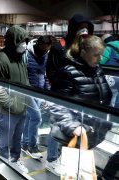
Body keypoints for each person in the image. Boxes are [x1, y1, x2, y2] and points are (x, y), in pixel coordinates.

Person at [46, 35, 114, 176]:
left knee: (81, 171)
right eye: (96, 55)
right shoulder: (68, 72)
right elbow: (56, 103)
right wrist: (74, 126)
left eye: (101, 55)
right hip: (75, 134)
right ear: (83, 53)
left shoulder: (97, 70)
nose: (100, 59)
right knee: (72, 173)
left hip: (92, 133)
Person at [0, 25, 30, 173]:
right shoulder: (2, 60)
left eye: (25, 41)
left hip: (22, 107)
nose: (24, 45)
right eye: (21, 41)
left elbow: (25, 81)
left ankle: (15, 159)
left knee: (17, 139)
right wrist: (11, 105)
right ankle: (2, 165)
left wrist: (29, 98)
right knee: (5, 140)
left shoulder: (21, 58)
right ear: (14, 41)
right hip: (8, 110)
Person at [21, 35, 52, 159]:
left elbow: (45, 75)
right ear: (38, 45)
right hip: (27, 92)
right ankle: (32, 146)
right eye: (43, 49)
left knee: (30, 118)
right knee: (37, 118)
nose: (45, 51)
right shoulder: (26, 55)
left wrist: (47, 93)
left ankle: (24, 143)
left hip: (39, 93)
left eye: (47, 49)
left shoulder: (46, 56)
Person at [46, 13, 94, 87]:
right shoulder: (59, 47)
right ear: (73, 29)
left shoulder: (86, 47)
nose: (85, 31)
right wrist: (64, 86)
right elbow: (51, 73)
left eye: (87, 28)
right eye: (81, 27)